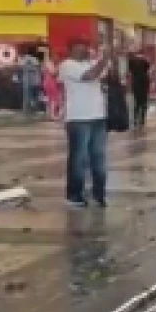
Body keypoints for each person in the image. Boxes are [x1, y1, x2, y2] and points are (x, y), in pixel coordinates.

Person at [59, 39, 112, 208]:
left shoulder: (92, 63)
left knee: (99, 158)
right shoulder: (67, 65)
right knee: (78, 158)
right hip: (78, 118)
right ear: (72, 51)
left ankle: (99, 194)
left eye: (85, 49)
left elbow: (106, 75)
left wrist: (113, 56)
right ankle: (74, 195)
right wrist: (104, 60)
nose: (84, 52)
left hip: (98, 116)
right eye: (79, 49)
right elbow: (89, 76)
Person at [127, 48, 152, 129]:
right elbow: (148, 69)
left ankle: (136, 120)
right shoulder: (144, 61)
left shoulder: (132, 61)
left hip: (137, 84)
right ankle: (141, 120)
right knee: (143, 103)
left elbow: (130, 72)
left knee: (137, 103)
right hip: (143, 84)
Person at [20, 49, 43, 115]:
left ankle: (28, 110)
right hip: (33, 81)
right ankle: (32, 109)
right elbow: (37, 68)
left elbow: (21, 66)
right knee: (33, 96)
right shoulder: (34, 60)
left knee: (29, 96)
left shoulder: (25, 59)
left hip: (29, 81)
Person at [42, 55, 62, 120]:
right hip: (50, 82)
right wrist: (58, 68)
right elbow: (53, 73)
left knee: (50, 99)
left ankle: (49, 114)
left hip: (48, 82)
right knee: (54, 98)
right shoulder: (49, 64)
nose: (57, 60)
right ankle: (52, 115)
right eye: (56, 58)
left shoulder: (48, 64)